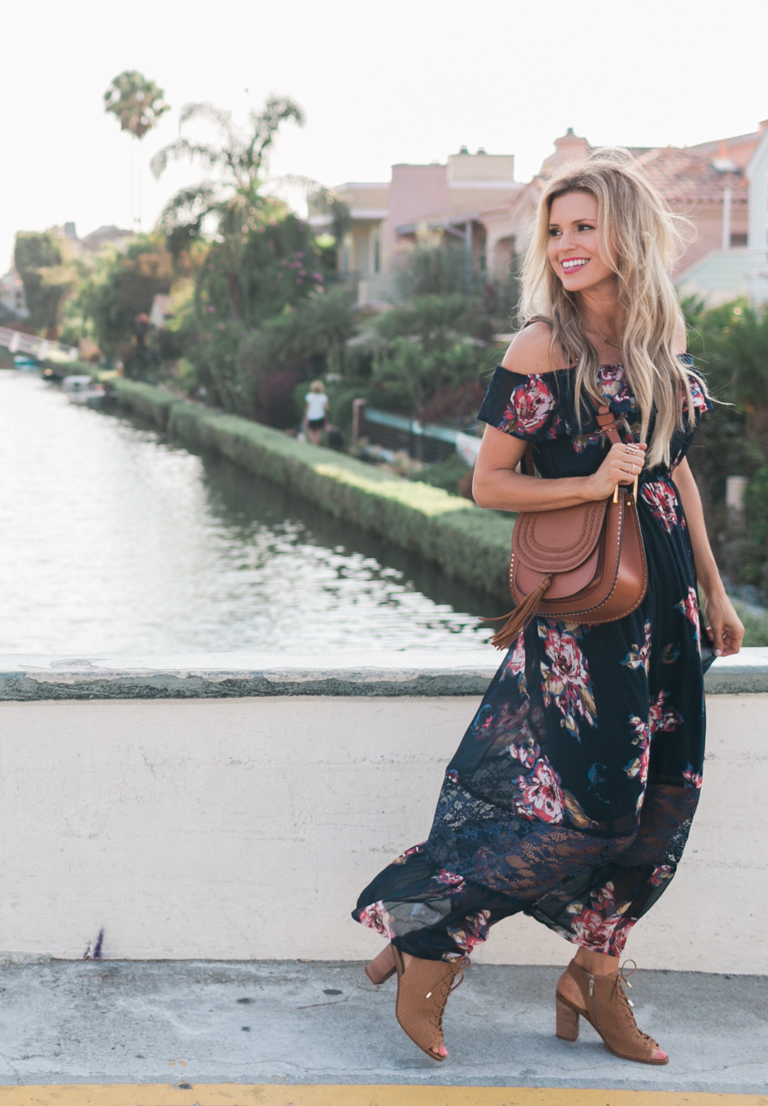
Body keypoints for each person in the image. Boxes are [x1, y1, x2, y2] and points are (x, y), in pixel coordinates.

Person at [350, 150, 744, 1066]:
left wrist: (716, 593)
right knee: (588, 811)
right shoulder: (542, 346)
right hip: (589, 619)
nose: (566, 245)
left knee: (663, 808)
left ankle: (594, 975)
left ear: (626, 234)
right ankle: (428, 939)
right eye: (555, 230)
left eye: (583, 227)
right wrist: (585, 486)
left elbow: (675, 469)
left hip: (669, 609)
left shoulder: (656, 343)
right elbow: (487, 482)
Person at [303, 380, 330, 445]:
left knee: (310, 430)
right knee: (318, 431)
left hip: (311, 416)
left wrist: (305, 416)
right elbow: (326, 407)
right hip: (320, 416)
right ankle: (317, 443)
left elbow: (307, 407)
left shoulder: (309, 396)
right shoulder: (323, 397)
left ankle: (313, 441)